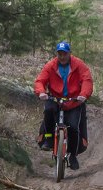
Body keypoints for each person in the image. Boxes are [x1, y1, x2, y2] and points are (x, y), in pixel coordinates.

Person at [34, 41, 93, 170]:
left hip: (73, 101)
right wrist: (42, 92)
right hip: (55, 99)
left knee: (73, 127)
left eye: (64, 54)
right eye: (59, 54)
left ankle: (73, 155)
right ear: (57, 54)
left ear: (69, 53)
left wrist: (83, 95)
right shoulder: (51, 66)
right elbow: (40, 80)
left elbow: (87, 80)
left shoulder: (79, 65)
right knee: (48, 110)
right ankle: (48, 139)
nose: (62, 57)